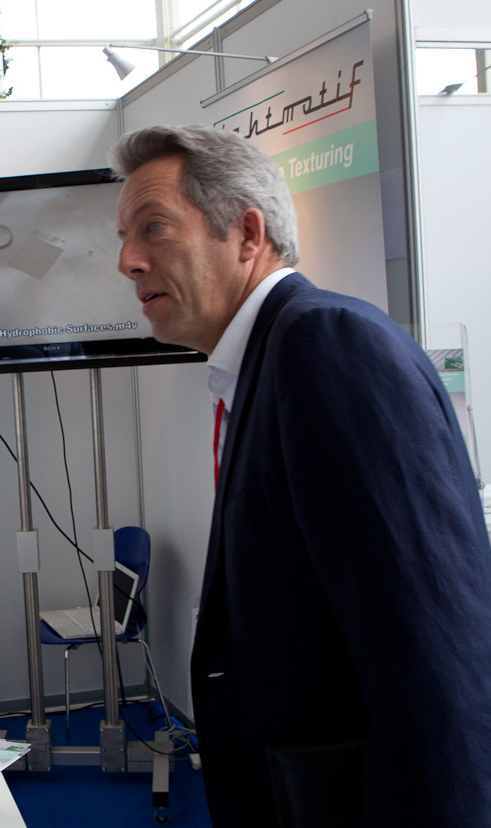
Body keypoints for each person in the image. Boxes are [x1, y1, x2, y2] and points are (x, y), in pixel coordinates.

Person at [111, 124, 491, 826]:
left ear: (246, 234)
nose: (128, 261)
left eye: (153, 228)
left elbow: (431, 646)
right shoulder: (265, 360)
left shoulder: (325, 345)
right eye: (123, 238)